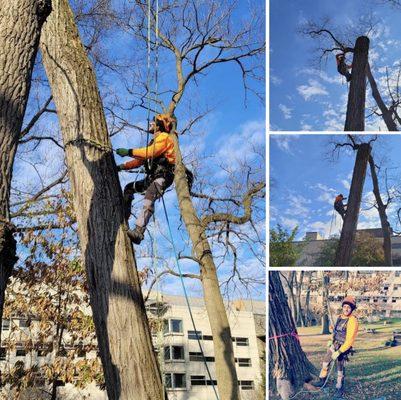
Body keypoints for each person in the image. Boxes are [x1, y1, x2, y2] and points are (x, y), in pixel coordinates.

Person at [116, 113, 177, 244]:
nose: (150, 124)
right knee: (129, 188)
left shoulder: (164, 138)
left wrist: (129, 151)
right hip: (152, 178)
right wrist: (122, 166)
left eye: (153, 122)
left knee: (150, 194)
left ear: (159, 125)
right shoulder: (153, 142)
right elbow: (140, 161)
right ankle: (124, 218)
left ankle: (139, 232)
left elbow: (149, 152)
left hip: (163, 176)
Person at [314, 296, 359, 398]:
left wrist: (339, 351)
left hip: (343, 347)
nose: (346, 309)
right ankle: (322, 380)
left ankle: (339, 388)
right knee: (325, 362)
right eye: (345, 307)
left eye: (349, 307)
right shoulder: (340, 317)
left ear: (352, 309)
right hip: (334, 344)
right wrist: (331, 340)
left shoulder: (352, 320)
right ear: (342, 307)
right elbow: (335, 331)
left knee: (340, 369)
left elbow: (350, 340)